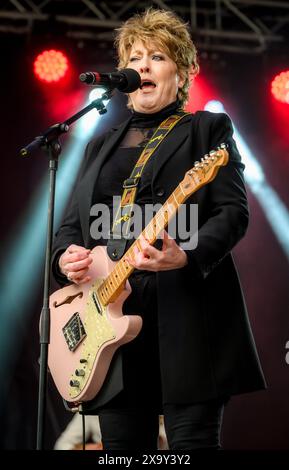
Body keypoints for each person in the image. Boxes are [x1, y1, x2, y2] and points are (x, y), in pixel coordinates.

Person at [51, 8, 266, 450]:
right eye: (134, 57)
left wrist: (187, 255)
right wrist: (65, 258)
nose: (142, 65)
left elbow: (232, 212)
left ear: (183, 71)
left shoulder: (207, 129)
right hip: (108, 331)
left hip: (185, 316)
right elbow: (70, 227)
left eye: (157, 57)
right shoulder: (97, 145)